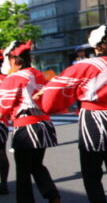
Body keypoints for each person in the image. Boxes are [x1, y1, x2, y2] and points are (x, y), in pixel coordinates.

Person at [38, 25, 107, 203]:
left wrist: (44, 95)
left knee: (91, 174)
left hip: (92, 120)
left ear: (96, 45)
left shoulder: (85, 65)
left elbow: (59, 86)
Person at [0, 41, 59, 203]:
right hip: (43, 125)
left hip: (26, 126)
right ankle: (52, 194)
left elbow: (4, 104)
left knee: (23, 172)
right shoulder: (39, 74)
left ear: (14, 60)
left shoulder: (14, 78)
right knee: (36, 165)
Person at [0, 50, 9, 195]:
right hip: (3, 121)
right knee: (1, 152)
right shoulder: (6, 78)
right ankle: (4, 184)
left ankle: (3, 184)